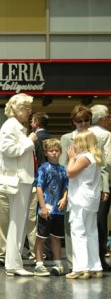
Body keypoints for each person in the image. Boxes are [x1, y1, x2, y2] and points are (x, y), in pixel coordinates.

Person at [59, 105, 108, 272]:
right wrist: (64, 193)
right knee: (82, 228)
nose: (83, 123)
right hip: (78, 190)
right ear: (73, 122)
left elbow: (103, 167)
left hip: (85, 191)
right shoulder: (67, 138)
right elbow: (62, 166)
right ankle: (83, 265)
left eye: (87, 120)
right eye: (79, 121)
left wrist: (105, 188)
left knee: (81, 228)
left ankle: (82, 267)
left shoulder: (96, 139)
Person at [0, 93, 37, 277]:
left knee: (18, 222)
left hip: (21, 178)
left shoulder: (16, 126)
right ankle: (13, 263)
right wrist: (30, 142)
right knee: (17, 221)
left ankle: (14, 262)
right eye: (26, 108)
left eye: (29, 108)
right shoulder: (11, 126)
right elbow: (8, 150)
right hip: (17, 179)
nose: (29, 111)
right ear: (16, 109)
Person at [65, 131, 104, 279]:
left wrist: (72, 158)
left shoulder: (84, 157)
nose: (74, 145)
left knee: (78, 232)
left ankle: (81, 268)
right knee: (91, 232)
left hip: (80, 199)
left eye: (77, 142)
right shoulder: (95, 157)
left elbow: (70, 172)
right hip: (91, 199)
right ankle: (95, 266)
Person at [33, 139, 68, 277]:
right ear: (46, 153)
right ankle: (39, 264)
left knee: (56, 237)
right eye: (51, 151)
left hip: (58, 210)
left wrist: (65, 198)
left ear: (60, 152)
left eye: (56, 150)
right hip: (45, 209)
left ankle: (58, 263)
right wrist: (42, 206)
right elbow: (39, 187)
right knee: (41, 237)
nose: (54, 153)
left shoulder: (63, 169)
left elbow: (66, 186)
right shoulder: (43, 168)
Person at [89, 104, 111, 270]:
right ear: (102, 119)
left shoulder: (85, 134)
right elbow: (108, 162)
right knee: (101, 222)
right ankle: (100, 258)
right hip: (104, 183)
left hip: (87, 183)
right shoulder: (106, 135)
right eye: (108, 117)